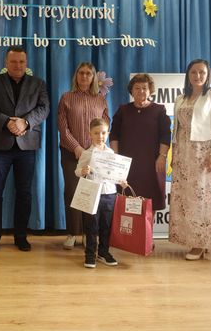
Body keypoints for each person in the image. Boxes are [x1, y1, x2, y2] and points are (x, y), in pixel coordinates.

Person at [0, 46, 50, 253]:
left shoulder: (38, 83)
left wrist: (25, 123)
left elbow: (44, 109)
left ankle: (21, 237)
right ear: (6, 63)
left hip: (26, 147)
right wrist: (7, 122)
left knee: (24, 194)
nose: (18, 65)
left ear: (26, 63)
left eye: (21, 61)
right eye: (13, 61)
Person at [168, 59, 211, 260]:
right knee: (186, 197)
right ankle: (194, 239)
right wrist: (174, 154)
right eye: (193, 72)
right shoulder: (181, 98)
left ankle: (201, 242)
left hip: (203, 152)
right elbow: (177, 129)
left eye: (202, 72)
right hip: (183, 152)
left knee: (205, 197)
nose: (197, 76)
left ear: (208, 74)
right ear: (188, 75)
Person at [58, 62, 110, 249]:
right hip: (71, 153)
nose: (85, 76)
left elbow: (106, 124)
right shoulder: (66, 97)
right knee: (72, 191)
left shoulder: (101, 99)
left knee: (92, 192)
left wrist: (96, 148)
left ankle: (89, 233)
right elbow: (63, 127)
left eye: (89, 73)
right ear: (76, 75)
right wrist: (77, 148)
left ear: (94, 77)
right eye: (81, 73)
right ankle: (73, 232)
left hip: (95, 155)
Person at [109, 74, 171, 218]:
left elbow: (165, 135)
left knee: (151, 200)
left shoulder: (159, 110)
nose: (141, 91)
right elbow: (114, 135)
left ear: (150, 90)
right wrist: (116, 158)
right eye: (137, 88)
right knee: (127, 199)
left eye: (144, 88)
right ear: (131, 90)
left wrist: (162, 157)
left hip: (152, 164)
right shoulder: (123, 110)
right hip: (127, 165)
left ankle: (148, 231)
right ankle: (131, 233)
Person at [75, 118, 126, 269]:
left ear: (108, 133)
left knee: (106, 226)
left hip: (109, 194)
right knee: (91, 226)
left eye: (103, 133)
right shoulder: (87, 153)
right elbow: (77, 171)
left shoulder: (111, 153)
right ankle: (90, 255)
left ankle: (103, 253)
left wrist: (122, 182)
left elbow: (116, 174)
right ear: (90, 134)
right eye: (96, 133)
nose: (100, 136)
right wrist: (83, 171)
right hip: (92, 194)